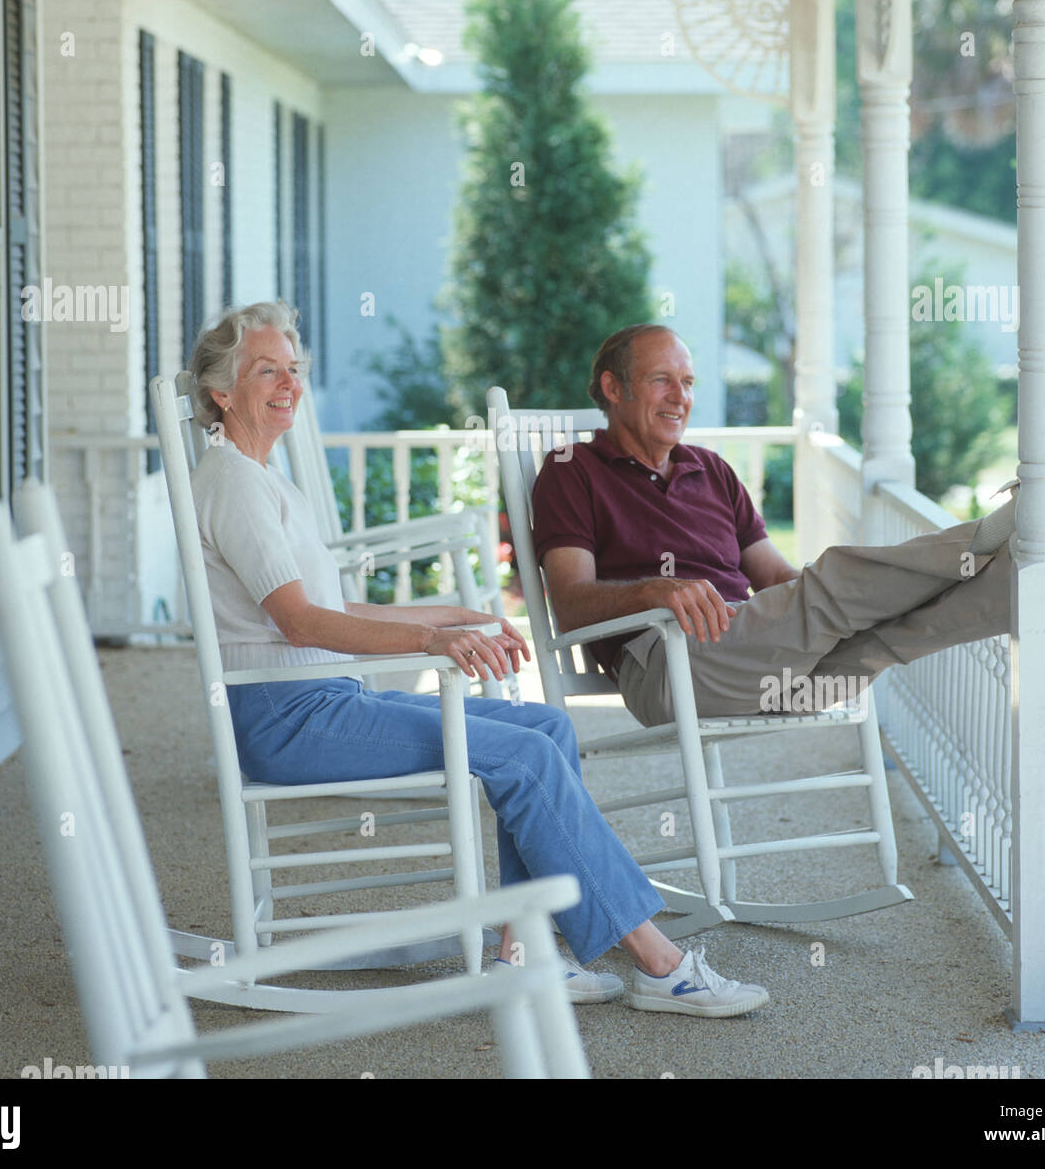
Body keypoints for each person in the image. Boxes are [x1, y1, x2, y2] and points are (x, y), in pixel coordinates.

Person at [186, 301, 769, 1018]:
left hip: (326, 699)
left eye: (295, 370)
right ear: (222, 390)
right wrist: (432, 642)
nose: (289, 385)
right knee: (520, 759)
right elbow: (302, 620)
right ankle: (660, 961)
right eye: (266, 371)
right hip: (289, 717)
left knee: (546, 732)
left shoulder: (262, 476)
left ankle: (521, 952)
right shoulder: (234, 482)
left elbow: (342, 611)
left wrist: (454, 615)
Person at [532, 323, 1016, 728]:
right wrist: (655, 591)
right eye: (661, 380)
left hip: (763, 659)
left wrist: (850, 602)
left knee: (887, 638)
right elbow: (571, 605)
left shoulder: (711, 469)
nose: (680, 397)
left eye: (689, 382)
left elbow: (778, 580)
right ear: (614, 388)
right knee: (834, 583)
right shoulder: (573, 468)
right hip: (669, 668)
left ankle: (1013, 584)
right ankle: (979, 539)